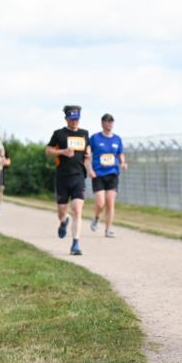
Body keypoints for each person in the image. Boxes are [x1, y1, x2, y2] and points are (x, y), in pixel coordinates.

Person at [46, 106, 92, 256]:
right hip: (62, 177)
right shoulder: (59, 134)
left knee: (77, 210)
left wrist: (89, 167)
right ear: (66, 119)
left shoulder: (84, 134)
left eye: (76, 119)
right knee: (62, 211)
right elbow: (48, 151)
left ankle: (75, 243)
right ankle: (64, 221)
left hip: (78, 176)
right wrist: (62, 152)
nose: (74, 122)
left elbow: (86, 155)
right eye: (71, 119)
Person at [89, 113, 127, 237]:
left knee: (110, 202)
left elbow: (120, 153)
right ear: (102, 123)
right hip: (98, 174)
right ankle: (96, 218)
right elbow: (88, 154)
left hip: (112, 173)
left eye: (111, 122)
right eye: (107, 121)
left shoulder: (117, 139)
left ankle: (108, 229)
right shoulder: (95, 138)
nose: (109, 124)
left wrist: (123, 162)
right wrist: (90, 169)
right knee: (101, 202)